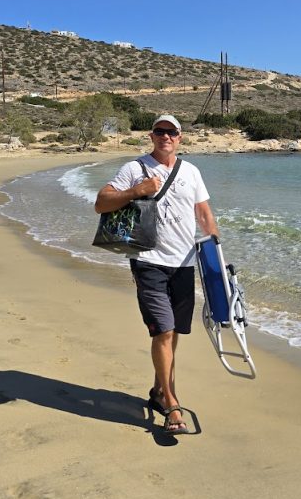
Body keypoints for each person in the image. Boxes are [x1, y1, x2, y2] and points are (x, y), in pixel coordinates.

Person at [94, 114, 219, 434]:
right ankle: (172, 404)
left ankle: (158, 391)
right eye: (160, 131)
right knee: (162, 331)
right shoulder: (135, 169)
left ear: (180, 138)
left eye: (172, 132)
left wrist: (215, 249)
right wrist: (137, 190)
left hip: (184, 263)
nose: (166, 137)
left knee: (173, 332)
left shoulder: (191, 171)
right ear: (152, 136)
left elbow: (202, 212)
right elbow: (101, 203)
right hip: (148, 261)